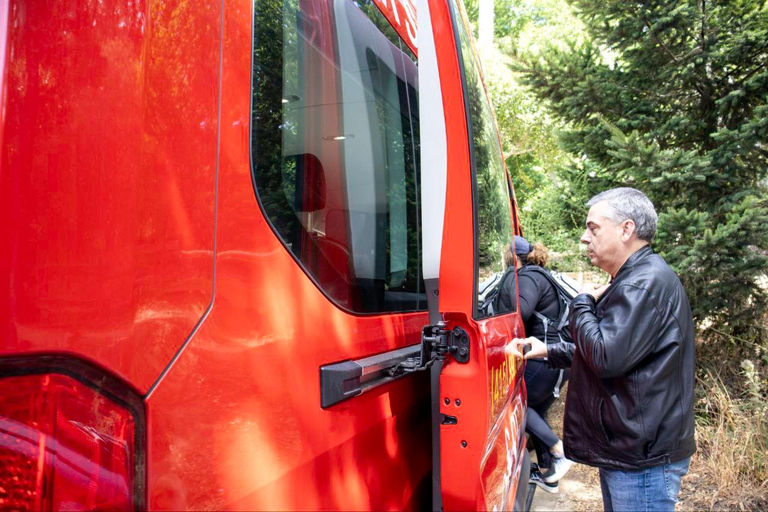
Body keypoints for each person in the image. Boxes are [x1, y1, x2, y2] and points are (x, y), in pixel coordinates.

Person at [512, 188, 696, 511]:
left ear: (627, 230)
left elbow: (605, 356)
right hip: (631, 454)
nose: (585, 238)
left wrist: (581, 302)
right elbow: (617, 351)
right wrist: (547, 351)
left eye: (593, 228)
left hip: (642, 463)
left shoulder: (642, 283)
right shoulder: (633, 279)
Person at [499, 236, 574, 493]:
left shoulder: (528, 277)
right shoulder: (540, 274)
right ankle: (548, 474)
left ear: (511, 256)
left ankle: (560, 451)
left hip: (545, 357)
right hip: (554, 357)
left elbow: (518, 312)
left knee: (518, 405)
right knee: (537, 411)